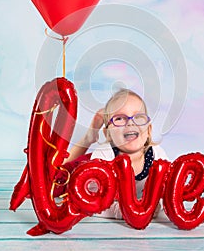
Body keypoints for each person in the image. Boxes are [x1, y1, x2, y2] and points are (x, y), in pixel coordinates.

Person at [58, 88, 168, 219]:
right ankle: (89, 137)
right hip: (86, 171)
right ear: (108, 134)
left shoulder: (157, 155)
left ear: (149, 130)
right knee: (58, 176)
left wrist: (158, 205)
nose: (130, 122)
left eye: (138, 117)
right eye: (120, 118)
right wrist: (120, 211)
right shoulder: (103, 155)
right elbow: (91, 201)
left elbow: (167, 190)